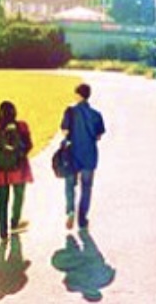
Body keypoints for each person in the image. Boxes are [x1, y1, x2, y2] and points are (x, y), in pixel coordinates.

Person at [0, 101, 33, 241]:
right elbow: (29, 145)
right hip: (19, 169)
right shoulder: (22, 126)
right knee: (18, 196)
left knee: (2, 201)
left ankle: (3, 232)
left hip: (0, 171)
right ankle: (15, 222)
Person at [62, 83, 106, 230]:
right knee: (86, 187)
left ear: (78, 95)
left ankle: (70, 211)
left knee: (70, 185)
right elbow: (99, 135)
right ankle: (82, 219)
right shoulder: (97, 114)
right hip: (89, 154)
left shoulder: (70, 111)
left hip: (72, 154)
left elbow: (65, 132)